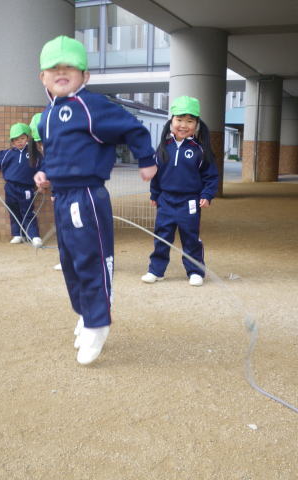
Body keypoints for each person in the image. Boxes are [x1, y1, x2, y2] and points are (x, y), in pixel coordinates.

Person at [34, 35, 157, 365]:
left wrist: (146, 160)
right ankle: (86, 313)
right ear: (42, 77)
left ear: (85, 76)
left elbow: (133, 128)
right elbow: (53, 153)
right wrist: (45, 172)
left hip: (87, 195)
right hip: (61, 197)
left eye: (70, 67)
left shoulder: (92, 106)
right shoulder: (46, 116)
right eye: (54, 68)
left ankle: (98, 322)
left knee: (92, 260)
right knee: (70, 262)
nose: (62, 72)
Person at [141, 95, 218, 287]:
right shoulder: (163, 147)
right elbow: (156, 174)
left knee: (190, 237)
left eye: (190, 121)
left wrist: (207, 195)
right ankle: (156, 270)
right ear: (171, 121)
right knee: (162, 236)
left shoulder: (200, 150)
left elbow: (211, 176)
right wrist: (154, 194)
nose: (183, 125)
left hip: (189, 202)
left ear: (197, 124)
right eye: (179, 120)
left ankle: (195, 271)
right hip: (165, 201)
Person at [0, 123, 42, 247]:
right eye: (16, 139)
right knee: (13, 211)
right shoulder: (8, 153)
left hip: (26, 188)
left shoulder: (35, 153)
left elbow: (42, 168)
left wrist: (41, 183)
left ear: (28, 138)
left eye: (22, 138)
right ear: (12, 141)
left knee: (28, 211)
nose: (19, 142)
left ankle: (34, 236)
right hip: (10, 187)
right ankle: (17, 234)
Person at [30, 112, 61, 272]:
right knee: (64, 229)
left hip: (76, 194)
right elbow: (49, 168)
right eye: (39, 143)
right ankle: (67, 259)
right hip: (60, 195)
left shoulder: (67, 148)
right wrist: (44, 178)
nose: (42, 147)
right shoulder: (48, 154)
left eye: (43, 142)